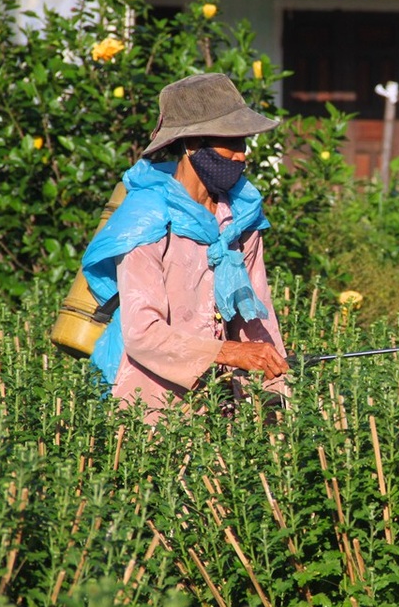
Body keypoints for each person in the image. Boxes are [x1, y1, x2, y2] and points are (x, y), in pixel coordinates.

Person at [82, 72, 289, 423]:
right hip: (149, 402)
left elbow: (257, 319)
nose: (241, 156)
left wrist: (275, 398)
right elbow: (142, 334)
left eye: (243, 144)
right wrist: (228, 352)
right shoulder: (147, 217)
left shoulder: (242, 217)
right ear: (193, 144)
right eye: (230, 143)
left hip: (222, 402)